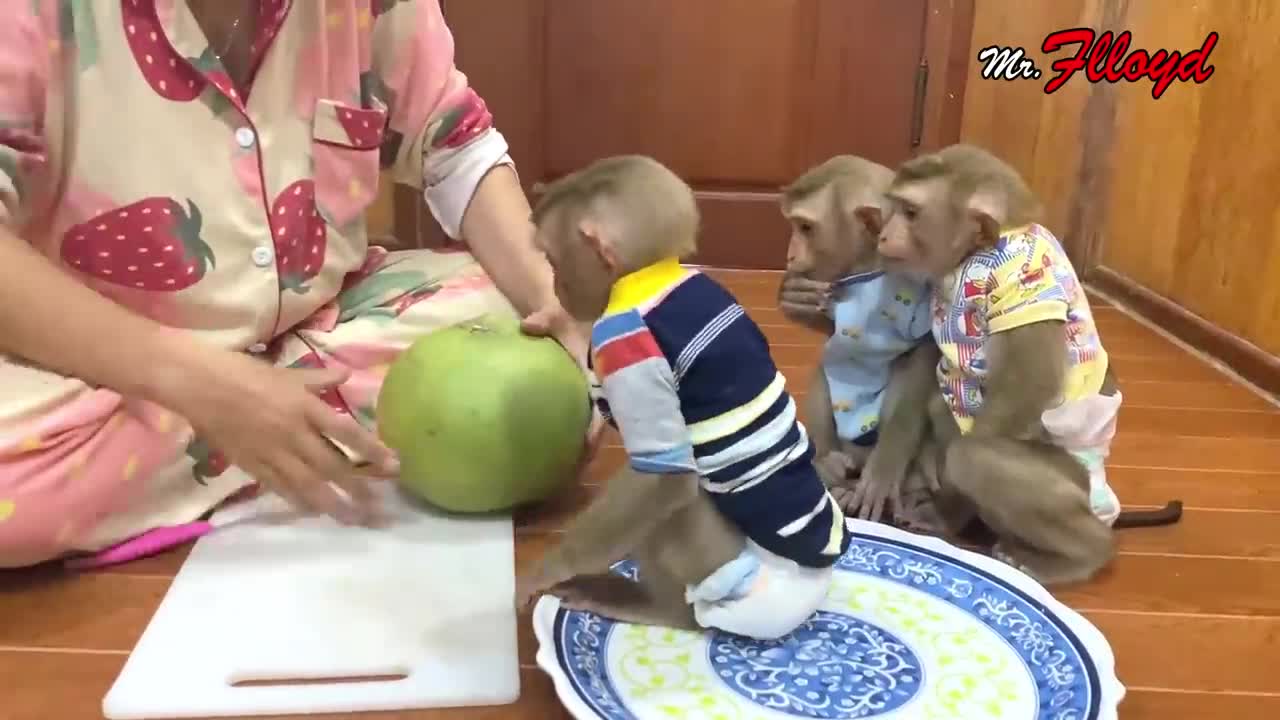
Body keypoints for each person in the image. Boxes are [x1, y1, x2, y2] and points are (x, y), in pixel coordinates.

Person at [0, 0, 598, 569]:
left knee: (515, 317)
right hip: (95, 366)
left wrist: (556, 305)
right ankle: (300, 432)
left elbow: (453, 144)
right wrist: (195, 382)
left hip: (321, 323)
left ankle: (271, 431)